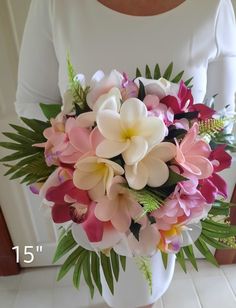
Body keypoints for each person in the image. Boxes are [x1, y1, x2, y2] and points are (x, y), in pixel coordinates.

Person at [15, 1, 236, 307]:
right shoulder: (54, 4)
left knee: (150, 288)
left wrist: (169, 190)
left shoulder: (213, 5)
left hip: (170, 201)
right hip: (91, 195)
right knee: (121, 293)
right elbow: (31, 104)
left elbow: (222, 116)